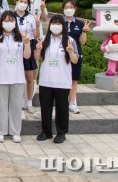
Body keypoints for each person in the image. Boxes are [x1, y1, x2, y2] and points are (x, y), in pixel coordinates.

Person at [0, 11, 32, 143]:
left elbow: (27, 56)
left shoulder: (20, 37)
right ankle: (1, 131)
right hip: (1, 77)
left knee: (16, 106)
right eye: (6, 20)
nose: (8, 23)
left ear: (15, 23)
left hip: (17, 77)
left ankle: (15, 132)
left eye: (11, 20)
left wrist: (27, 43)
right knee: (1, 106)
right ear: (1, 23)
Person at [34, 15, 80, 144]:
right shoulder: (44, 39)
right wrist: (37, 49)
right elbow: (36, 57)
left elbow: (75, 60)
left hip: (62, 81)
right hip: (46, 80)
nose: (55, 26)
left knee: (62, 108)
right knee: (45, 107)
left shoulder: (69, 40)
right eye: (53, 23)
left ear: (63, 26)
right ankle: (46, 131)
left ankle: (61, 132)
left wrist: (70, 52)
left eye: (58, 23)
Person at [62, 0, 89, 114]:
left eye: (71, 7)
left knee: (73, 80)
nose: (68, 9)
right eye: (66, 7)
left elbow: (82, 42)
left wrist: (84, 31)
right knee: (62, 79)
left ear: (75, 8)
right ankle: (62, 102)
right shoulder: (58, 22)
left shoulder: (79, 24)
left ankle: (72, 103)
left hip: (75, 55)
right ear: (63, 9)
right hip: (61, 55)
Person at [14, 0, 39, 114]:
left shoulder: (30, 17)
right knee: (15, 77)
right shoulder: (10, 16)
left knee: (29, 77)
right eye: (21, 1)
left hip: (29, 45)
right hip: (14, 46)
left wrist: (38, 25)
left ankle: (29, 102)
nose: (23, 3)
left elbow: (36, 35)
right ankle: (16, 102)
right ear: (16, 2)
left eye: (25, 2)